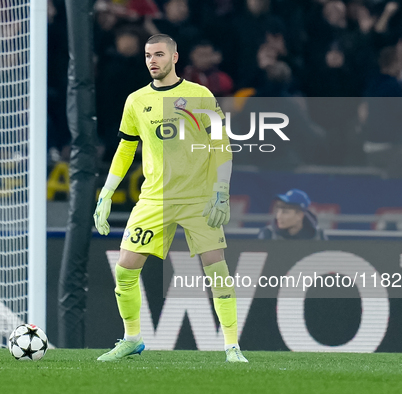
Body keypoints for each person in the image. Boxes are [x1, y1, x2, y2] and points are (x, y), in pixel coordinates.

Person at [93, 34, 248, 363]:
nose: (153, 60)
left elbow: (222, 145)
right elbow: (125, 148)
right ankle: (132, 338)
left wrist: (222, 190)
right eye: (148, 55)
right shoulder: (136, 100)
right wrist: (106, 192)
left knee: (217, 269)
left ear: (175, 57)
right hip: (154, 198)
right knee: (124, 270)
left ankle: (232, 346)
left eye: (159, 54)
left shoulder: (200, 95)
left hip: (198, 197)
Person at [258, 189, 327, 240]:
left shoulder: (318, 235)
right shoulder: (268, 234)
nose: (278, 216)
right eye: (278, 211)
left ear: (300, 215)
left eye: (285, 212)